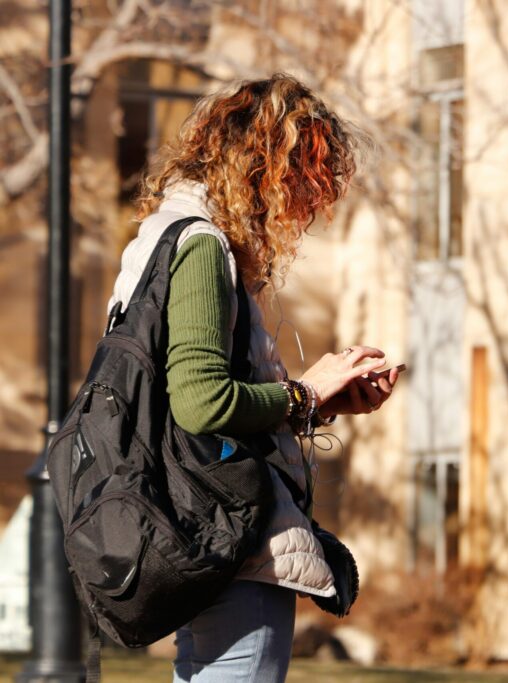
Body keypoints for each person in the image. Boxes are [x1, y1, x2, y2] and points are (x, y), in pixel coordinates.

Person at [106, 73, 398, 682]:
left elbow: (183, 400)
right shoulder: (200, 248)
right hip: (231, 526)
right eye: (305, 177)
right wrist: (306, 391)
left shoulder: (159, 239)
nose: (308, 204)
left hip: (195, 520)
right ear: (261, 165)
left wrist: (322, 405)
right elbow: (200, 402)